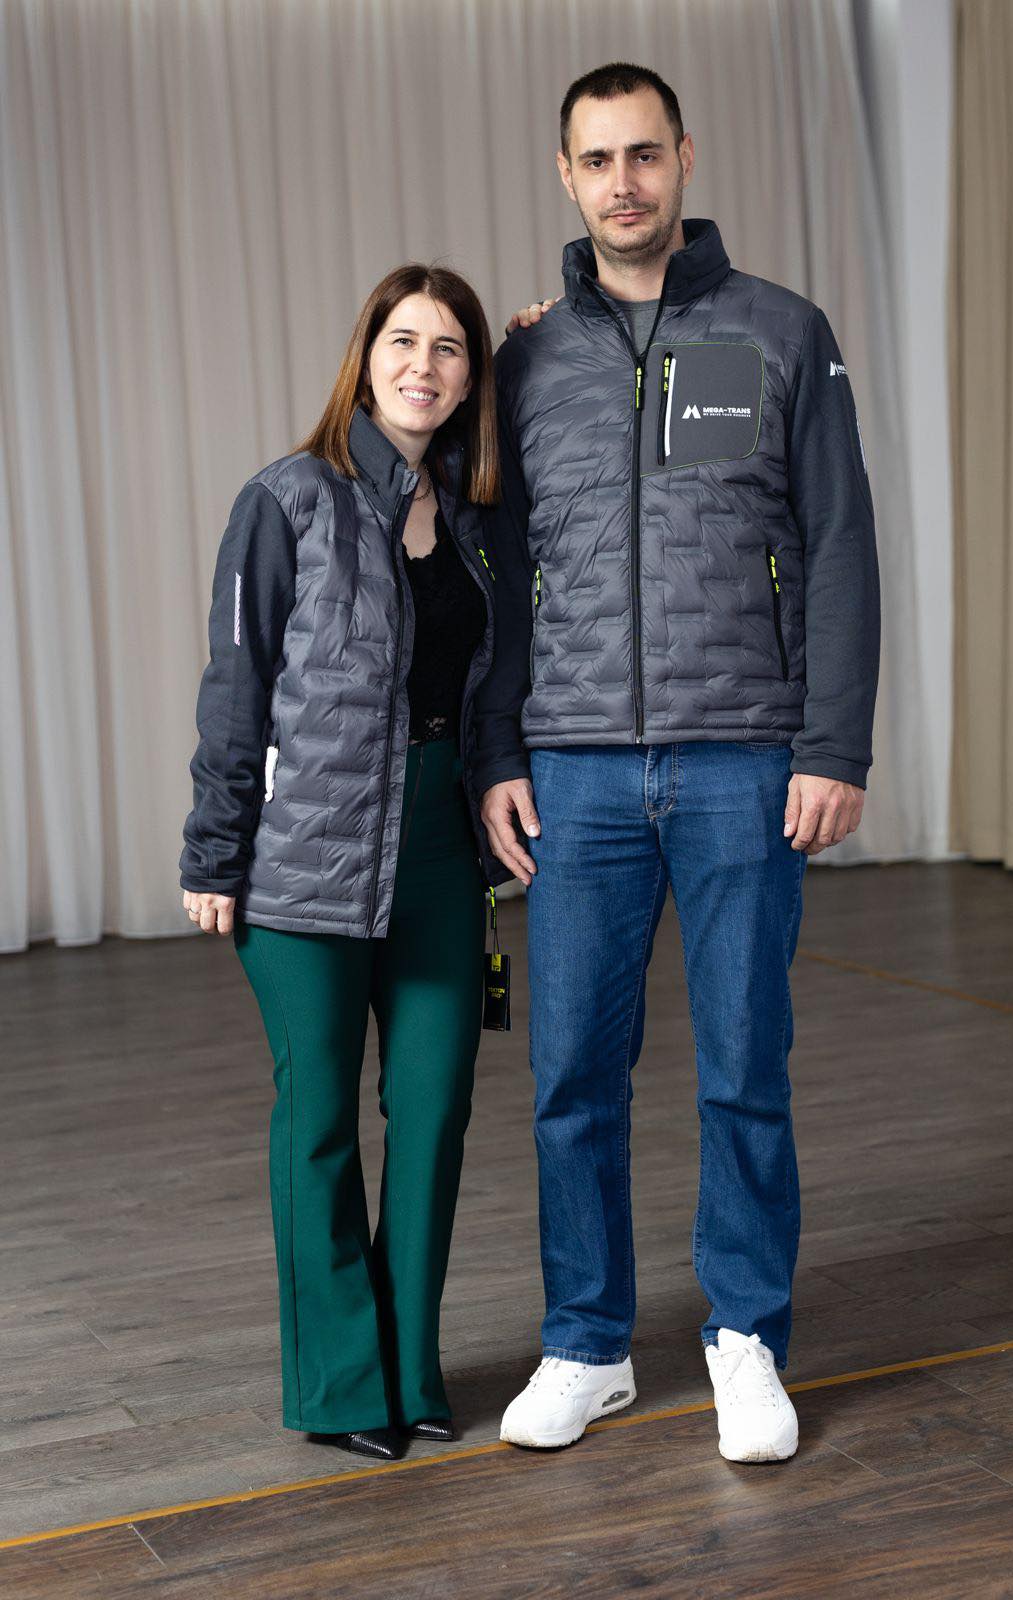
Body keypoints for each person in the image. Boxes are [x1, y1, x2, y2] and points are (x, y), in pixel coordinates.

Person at [472, 63, 881, 1463]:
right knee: (570, 1077)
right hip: (575, 771)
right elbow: (496, 576)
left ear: (685, 159)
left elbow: (837, 543)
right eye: (596, 160)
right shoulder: (526, 363)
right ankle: (586, 1344)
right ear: (565, 176)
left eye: (643, 154)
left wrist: (830, 742)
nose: (623, 182)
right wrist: (496, 752)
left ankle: (745, 1337)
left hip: (742, 762)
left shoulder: (780, 329)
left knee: (744, 1066)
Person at [179, 264, 510, 1462]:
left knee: (432, 1111)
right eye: (403, 341)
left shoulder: (474, 518)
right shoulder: (287, 500)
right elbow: (236, 686)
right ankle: (339, 1382)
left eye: (450, 348)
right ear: (364, 358)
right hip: (303, 858)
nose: (424, 366)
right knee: (317, 1117)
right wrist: (214, 851)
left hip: (438, 853)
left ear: (470, 376)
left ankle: (409, 1365)